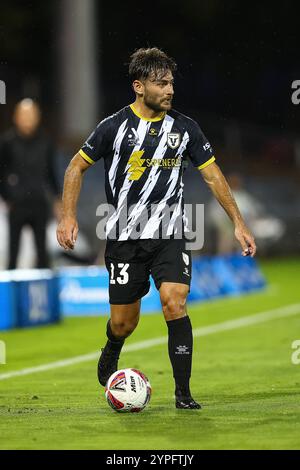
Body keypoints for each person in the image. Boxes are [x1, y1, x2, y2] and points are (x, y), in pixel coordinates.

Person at [57, 48, 256, 409]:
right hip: (124, 238)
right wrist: (68, 216)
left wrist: (239, 223)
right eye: (161, 83)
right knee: (123, 322)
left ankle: (183, 392)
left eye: (171, 83)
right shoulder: (113, 127)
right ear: (138, 86)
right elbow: (75, 167)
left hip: (171, 232)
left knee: (174, 302)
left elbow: (212, 176)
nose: (170, 90)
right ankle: (112, 347)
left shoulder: (185, 128)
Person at [0, 99, 61, 269]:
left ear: (38, 117)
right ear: (16, 117)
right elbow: (1, 174)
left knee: (42, 252)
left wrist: (57, 200)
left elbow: (51, 174)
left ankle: (44, 292)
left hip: (39, 203)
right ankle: (11, 293)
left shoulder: (46, 142)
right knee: (13, 252)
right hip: (16, 204)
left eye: (31, 115)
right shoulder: (7, 142)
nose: (28, 119)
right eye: (24, 115)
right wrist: (7, 197)